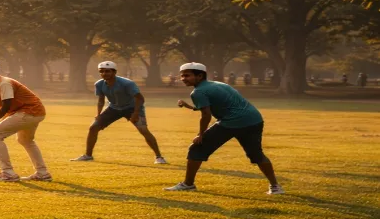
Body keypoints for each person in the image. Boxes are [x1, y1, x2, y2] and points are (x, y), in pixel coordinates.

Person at [164, 62, 283, 194]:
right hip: (254, 120)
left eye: (187, 75)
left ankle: (188, 184)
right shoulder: (219, 84)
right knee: (256, 154)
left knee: (197, 148)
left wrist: (200, 134)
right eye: (182, 76)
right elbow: (215, 104)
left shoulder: (198, 92)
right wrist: (189, 106)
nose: (183, 79)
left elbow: (206, 115)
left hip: (231, 122)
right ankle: (275, 186)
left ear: (200, 76)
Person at [71, 61, 167, 164]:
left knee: (143, 130)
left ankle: (159, 157)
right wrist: (98, 114)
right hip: (114, 108)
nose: (104, 73)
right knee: (93, 127)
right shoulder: (99, 84)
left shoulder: (127, 83)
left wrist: (135, 113)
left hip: (132, 108)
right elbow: (101, 100)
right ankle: (88, 155)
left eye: (107, 71)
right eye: (101, 71)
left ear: (114, 72)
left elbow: (140, 99)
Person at [0, 57, 51, 182]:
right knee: (25, 140)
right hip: (31, 112)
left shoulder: (4, 83)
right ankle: (42, 173)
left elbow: (6, 105)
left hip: (29, 111)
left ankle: (7, 172)